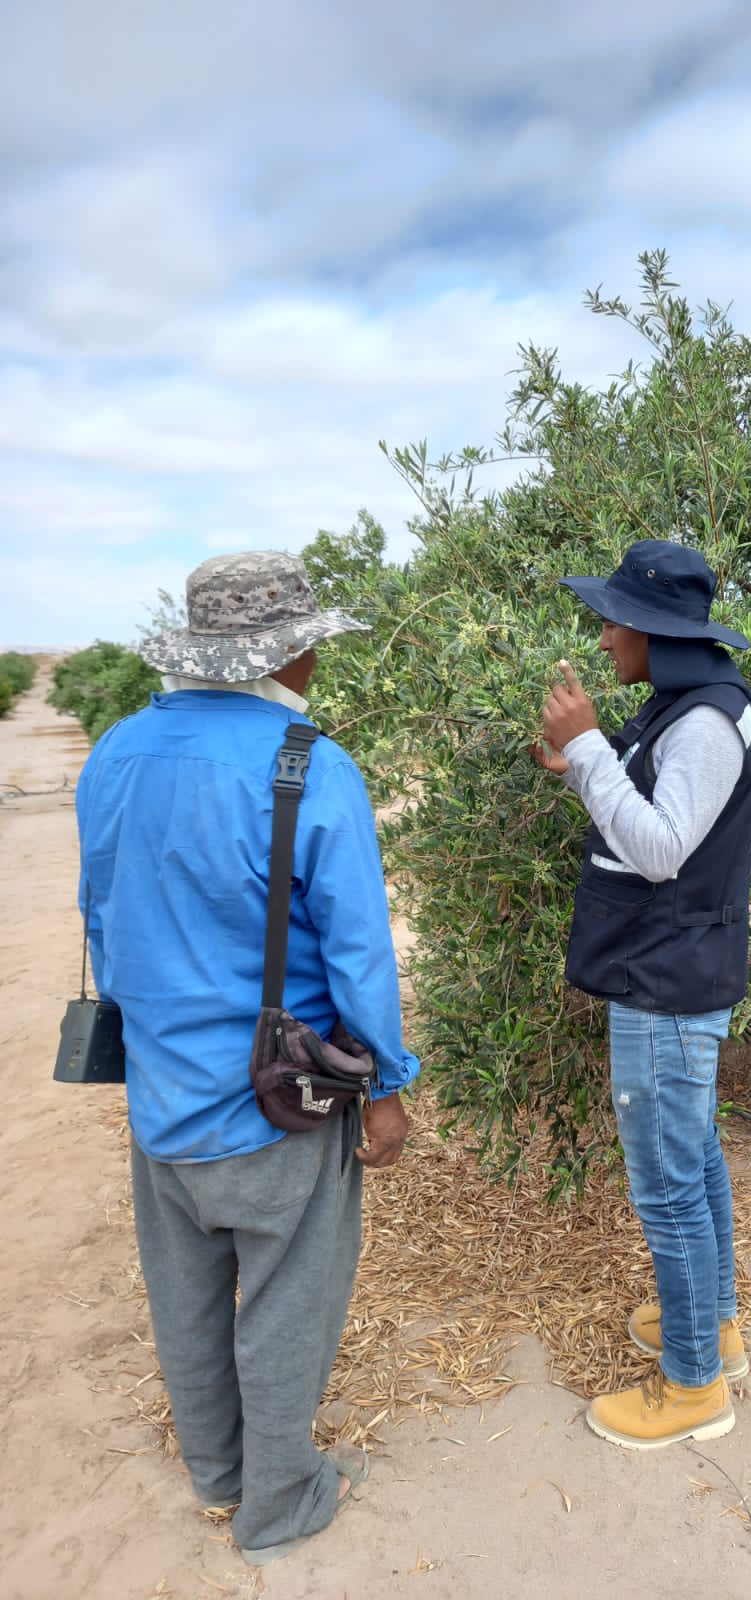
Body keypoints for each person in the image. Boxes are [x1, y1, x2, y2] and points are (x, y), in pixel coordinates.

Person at [73, 551, 419, 1564]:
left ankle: (217, 1474)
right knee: (287, 1298)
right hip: (280, 1100)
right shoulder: (312, 763)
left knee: (183, 1297)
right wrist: (387, 1086)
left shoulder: (116, 751)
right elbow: (358, 951)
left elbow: (99, 916)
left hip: (161, 1093)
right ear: (293, 650)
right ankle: (281, 1502)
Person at [534, 538, 751, 1449]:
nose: (601, 638)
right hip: (675, 973)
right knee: (695, 1158)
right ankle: (714, 1328)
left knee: (667, 1189)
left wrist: (588, 747)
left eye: (612, 622)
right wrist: (585, 762)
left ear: (649, 632)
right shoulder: (694, 706)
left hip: (666, 987)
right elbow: (670, 814)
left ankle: (694, 1390)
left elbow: (663, 849)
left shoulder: (703, 722)